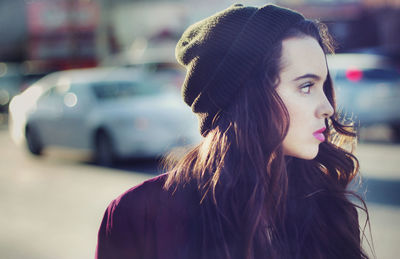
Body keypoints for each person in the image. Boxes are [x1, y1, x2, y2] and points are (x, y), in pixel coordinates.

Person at [95, 3, 372, 259]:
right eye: (306, 86)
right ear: (247, 96)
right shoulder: (139, 215)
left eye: (323, 87)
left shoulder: (331, 211)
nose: (327, 108)